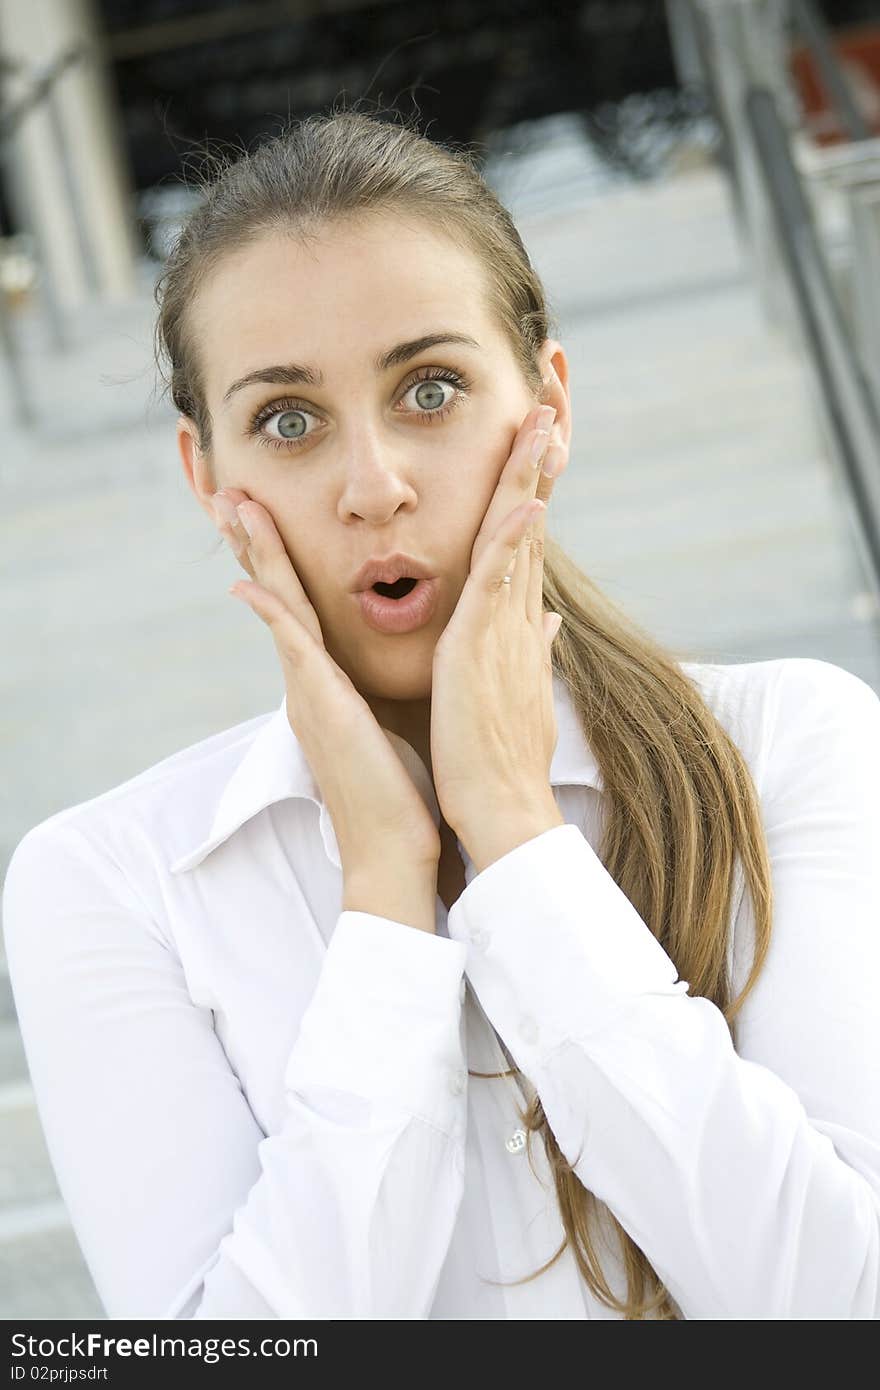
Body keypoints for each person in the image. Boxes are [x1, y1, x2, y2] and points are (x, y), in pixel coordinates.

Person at [3, 105, 880, 1323]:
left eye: (430, 389)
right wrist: (384, 900)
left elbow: (839, 1307)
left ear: (548, 403)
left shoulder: (793, 743)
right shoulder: (111, 882)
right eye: (288, 420)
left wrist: (518, 841)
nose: (375, 487)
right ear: (207, 474)